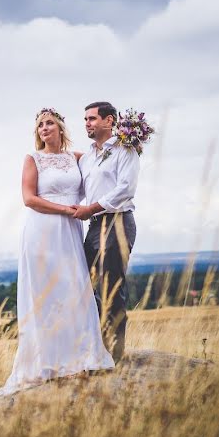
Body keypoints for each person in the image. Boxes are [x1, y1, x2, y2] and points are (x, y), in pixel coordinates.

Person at [0, 108, 114, 398]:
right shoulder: (32, 159)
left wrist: (122, 148)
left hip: (70, 234)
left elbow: (99, 177)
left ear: (61, 128)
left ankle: (79, 358)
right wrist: (66, 210)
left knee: (73, 289)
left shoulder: (76, 158)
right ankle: (46, 362)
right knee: (45, 294)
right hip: (42, 231)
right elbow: (29, 198)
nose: (44, 128)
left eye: (49, 123)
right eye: (39, 125)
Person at [73, 101, 140, 362]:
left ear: (109, 120)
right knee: (81, 285)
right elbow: (78, 190)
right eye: (86, 119)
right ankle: (94, 345)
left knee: (113, 289)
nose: (87, 123)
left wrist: (92, 208)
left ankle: (115, 354)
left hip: (119, 222)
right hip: (94, 226)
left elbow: (125, 188)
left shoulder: (126, 149)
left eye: (91, 118)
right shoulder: (87, 158)